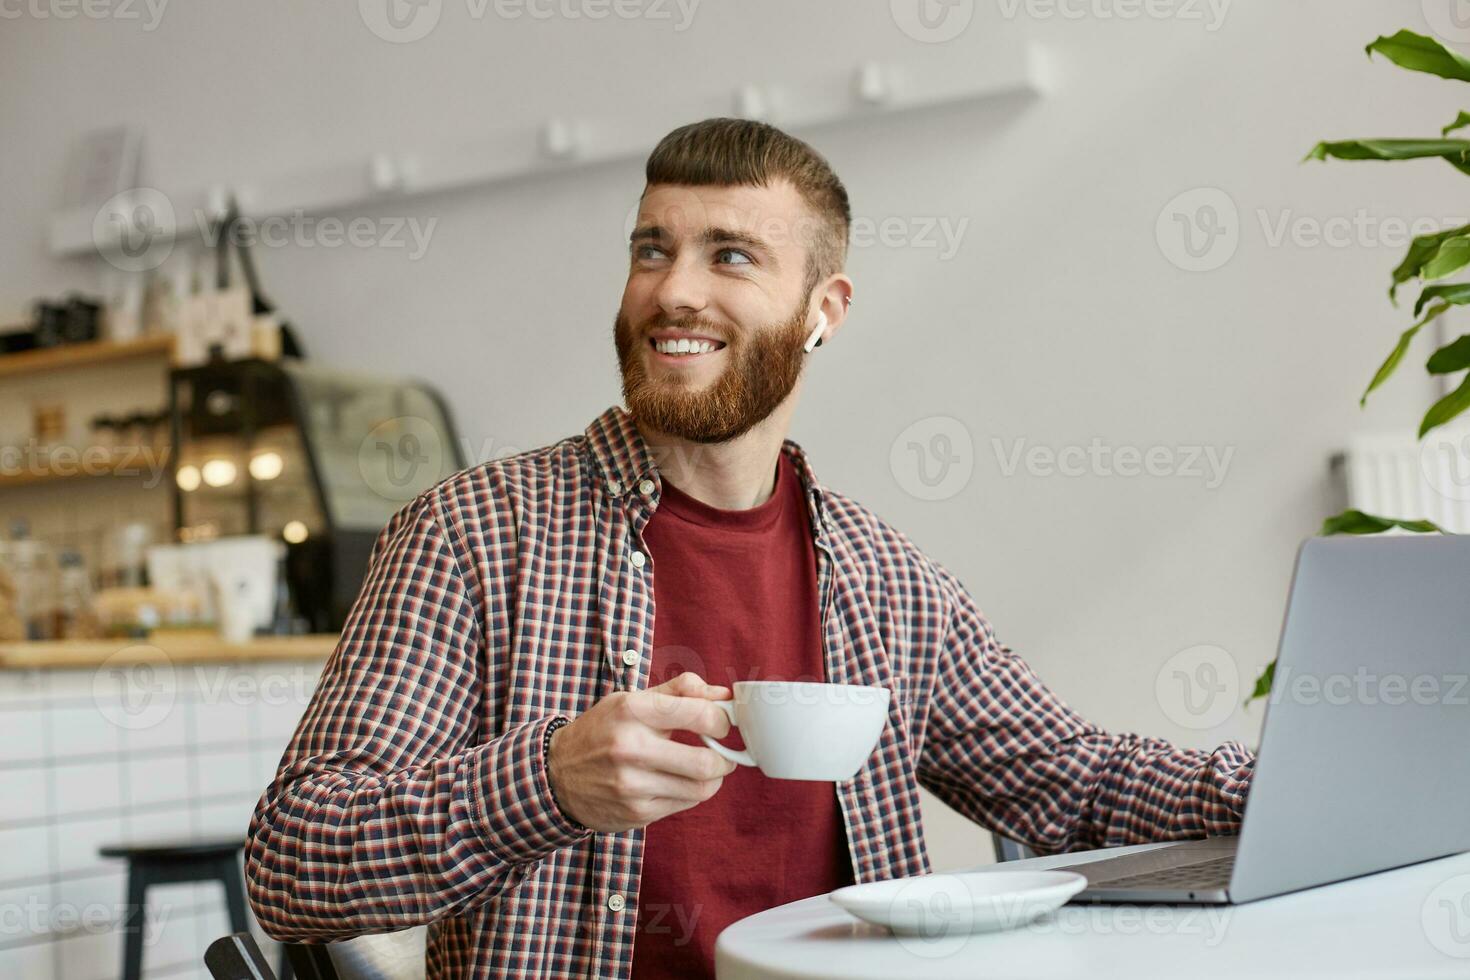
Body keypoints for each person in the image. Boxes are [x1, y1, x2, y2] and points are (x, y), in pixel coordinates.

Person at [245, 117, 1255, 980]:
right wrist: (548, 782)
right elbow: (294, 862)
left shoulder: (885, 579)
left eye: (730, 255)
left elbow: (1071, 781)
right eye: (653, 250)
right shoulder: (474, 533)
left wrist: (1280, 780)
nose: (673, 291)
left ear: (823, 312)